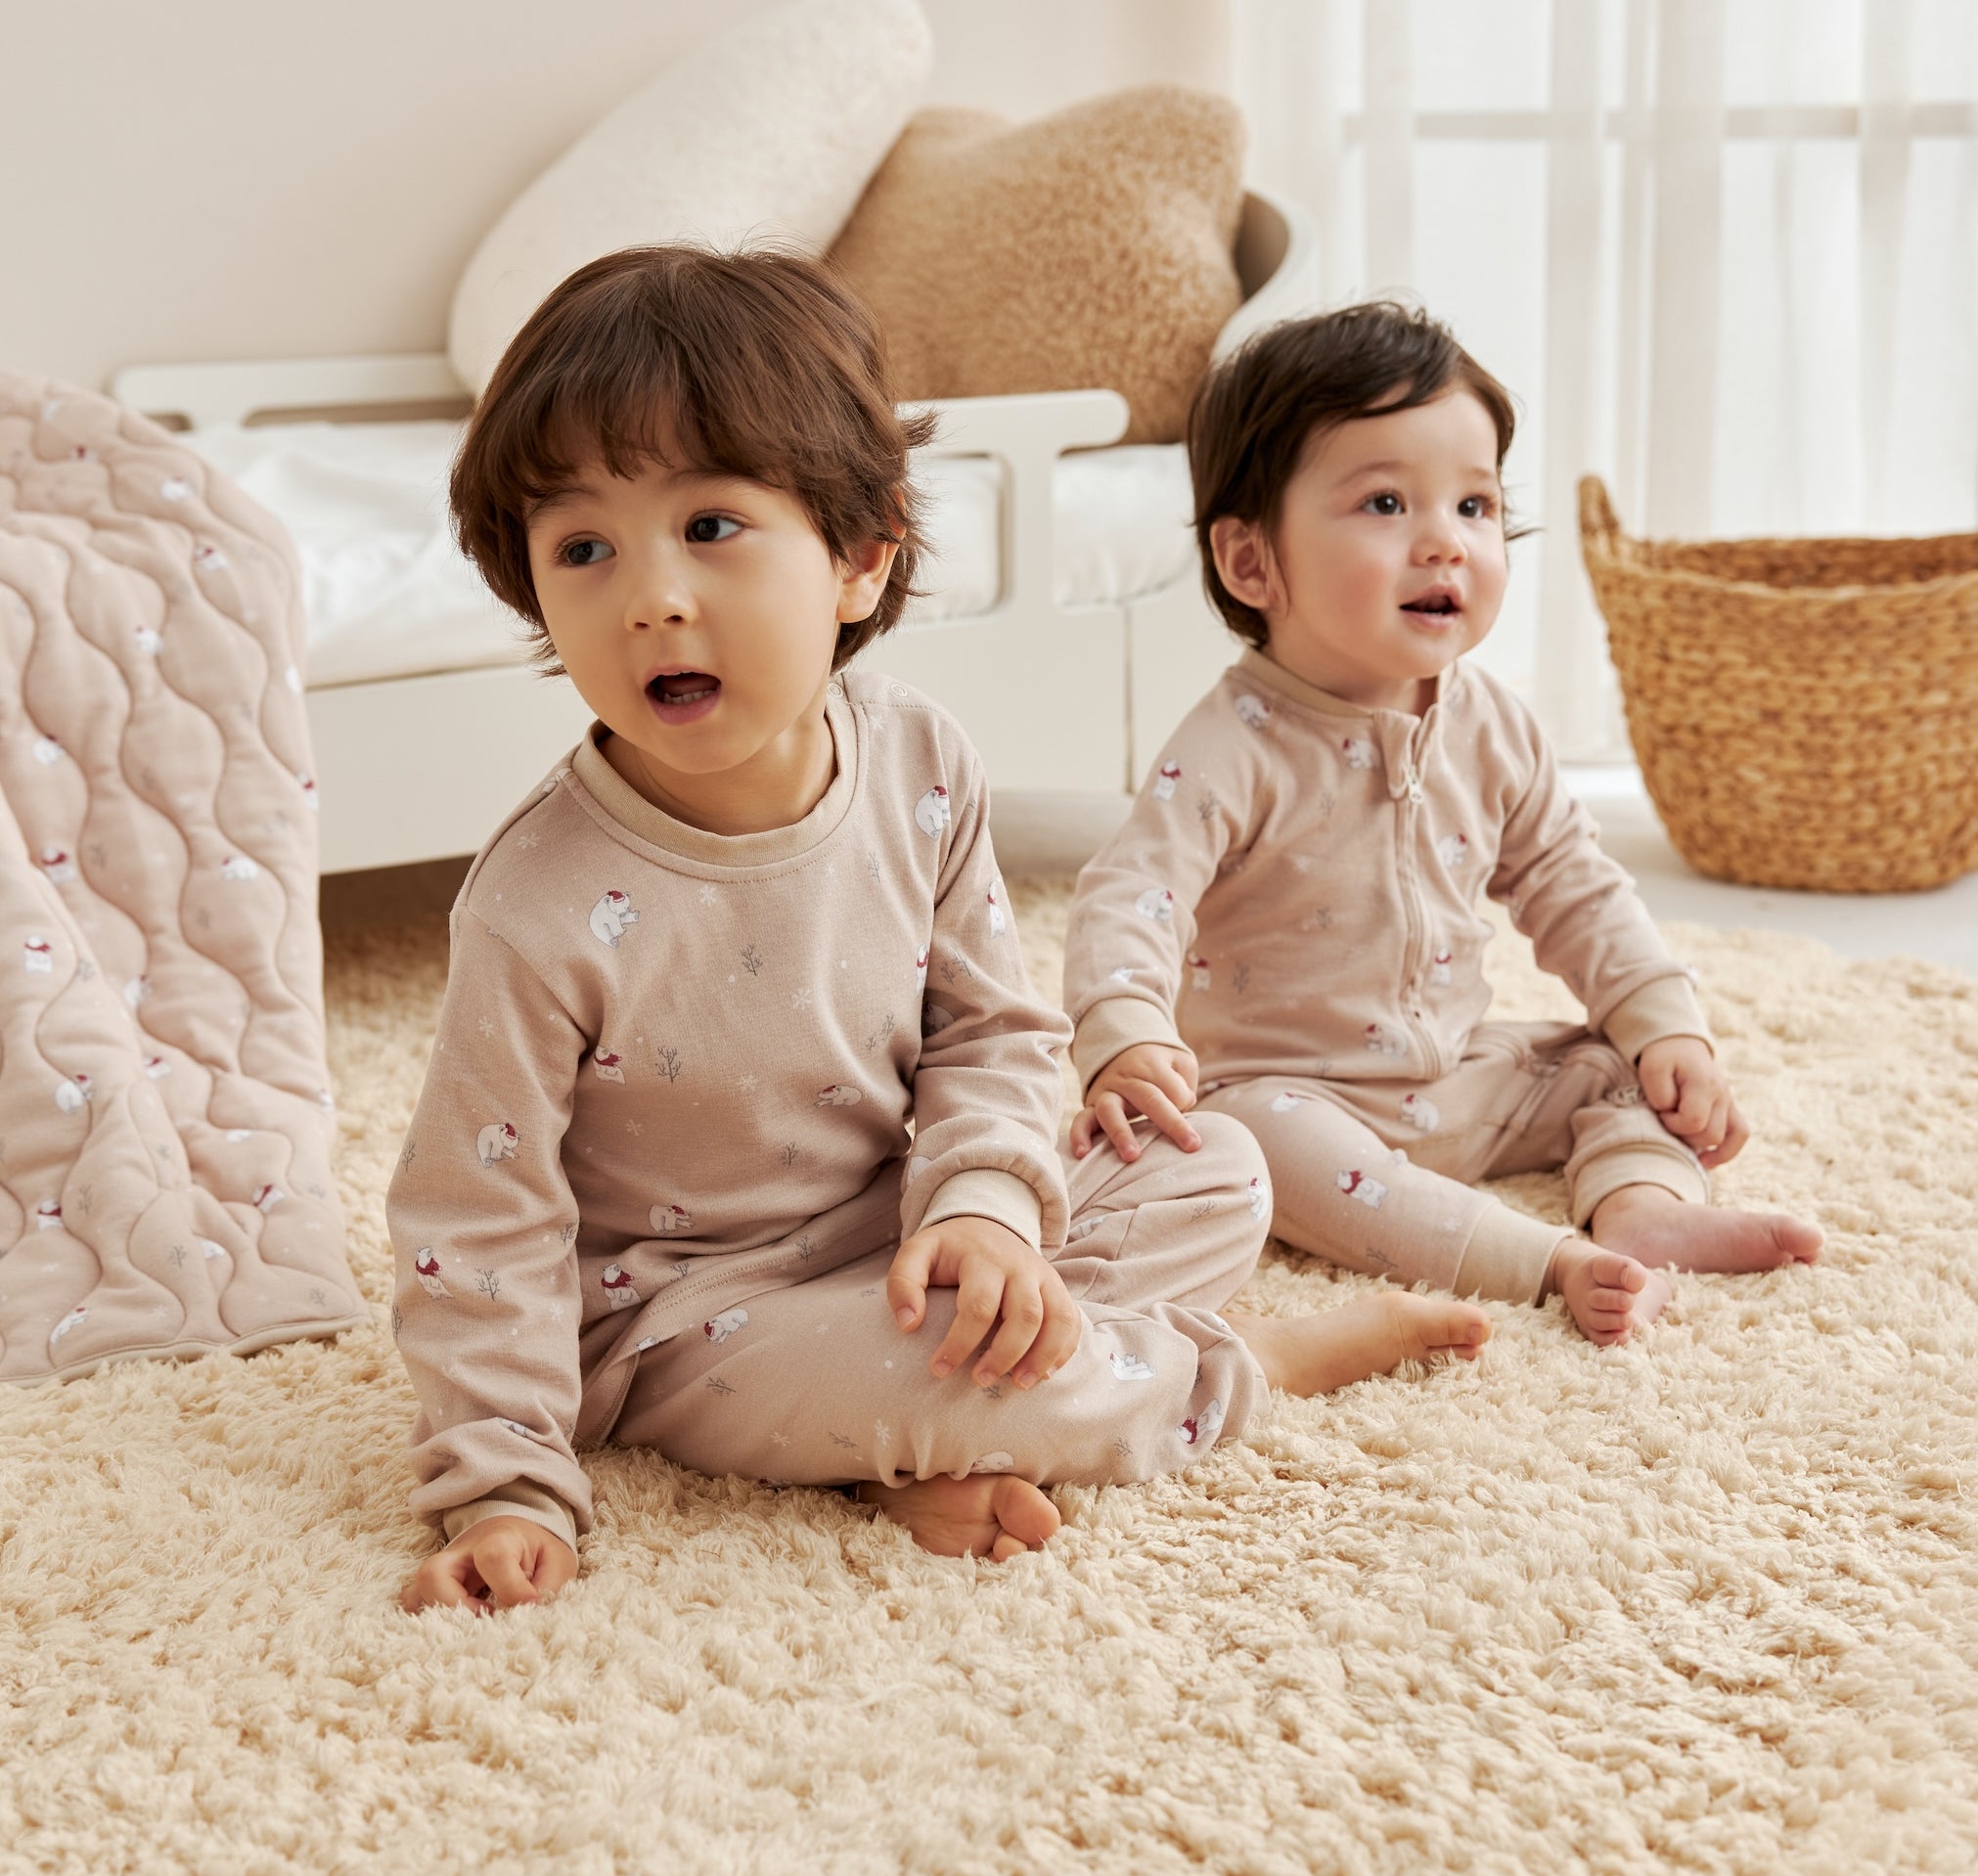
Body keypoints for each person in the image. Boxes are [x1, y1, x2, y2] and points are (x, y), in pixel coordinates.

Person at [390, 250, 1485, 1613]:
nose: (650, 596)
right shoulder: (535, 901)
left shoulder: (919, 756)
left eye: (712, 526)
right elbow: (474, 1218)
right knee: (913, 1369)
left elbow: (993, 1033)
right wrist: (502, 1480)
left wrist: (984, 1212)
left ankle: (920, 1425)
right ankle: (1239, 1364)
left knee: (1215, 1170)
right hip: (675, 1321)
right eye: (584, 547)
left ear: (861, 555)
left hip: (899, 1226)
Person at [1062, 300, 1821, 1351]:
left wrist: (1665, 1021)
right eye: (1384, 502)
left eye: (1475, 505)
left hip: (1457, 1077)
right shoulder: (1232, 747)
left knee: (1614, 1065)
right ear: (1251, 563)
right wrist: (1129, 1036)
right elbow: (1126, 897)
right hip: (1293, 1097)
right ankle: (1542, 1259)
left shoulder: (1491, 721)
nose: (1445, 544)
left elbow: (1571, 877)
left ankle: (1642, 1203)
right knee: (1244, 1141)